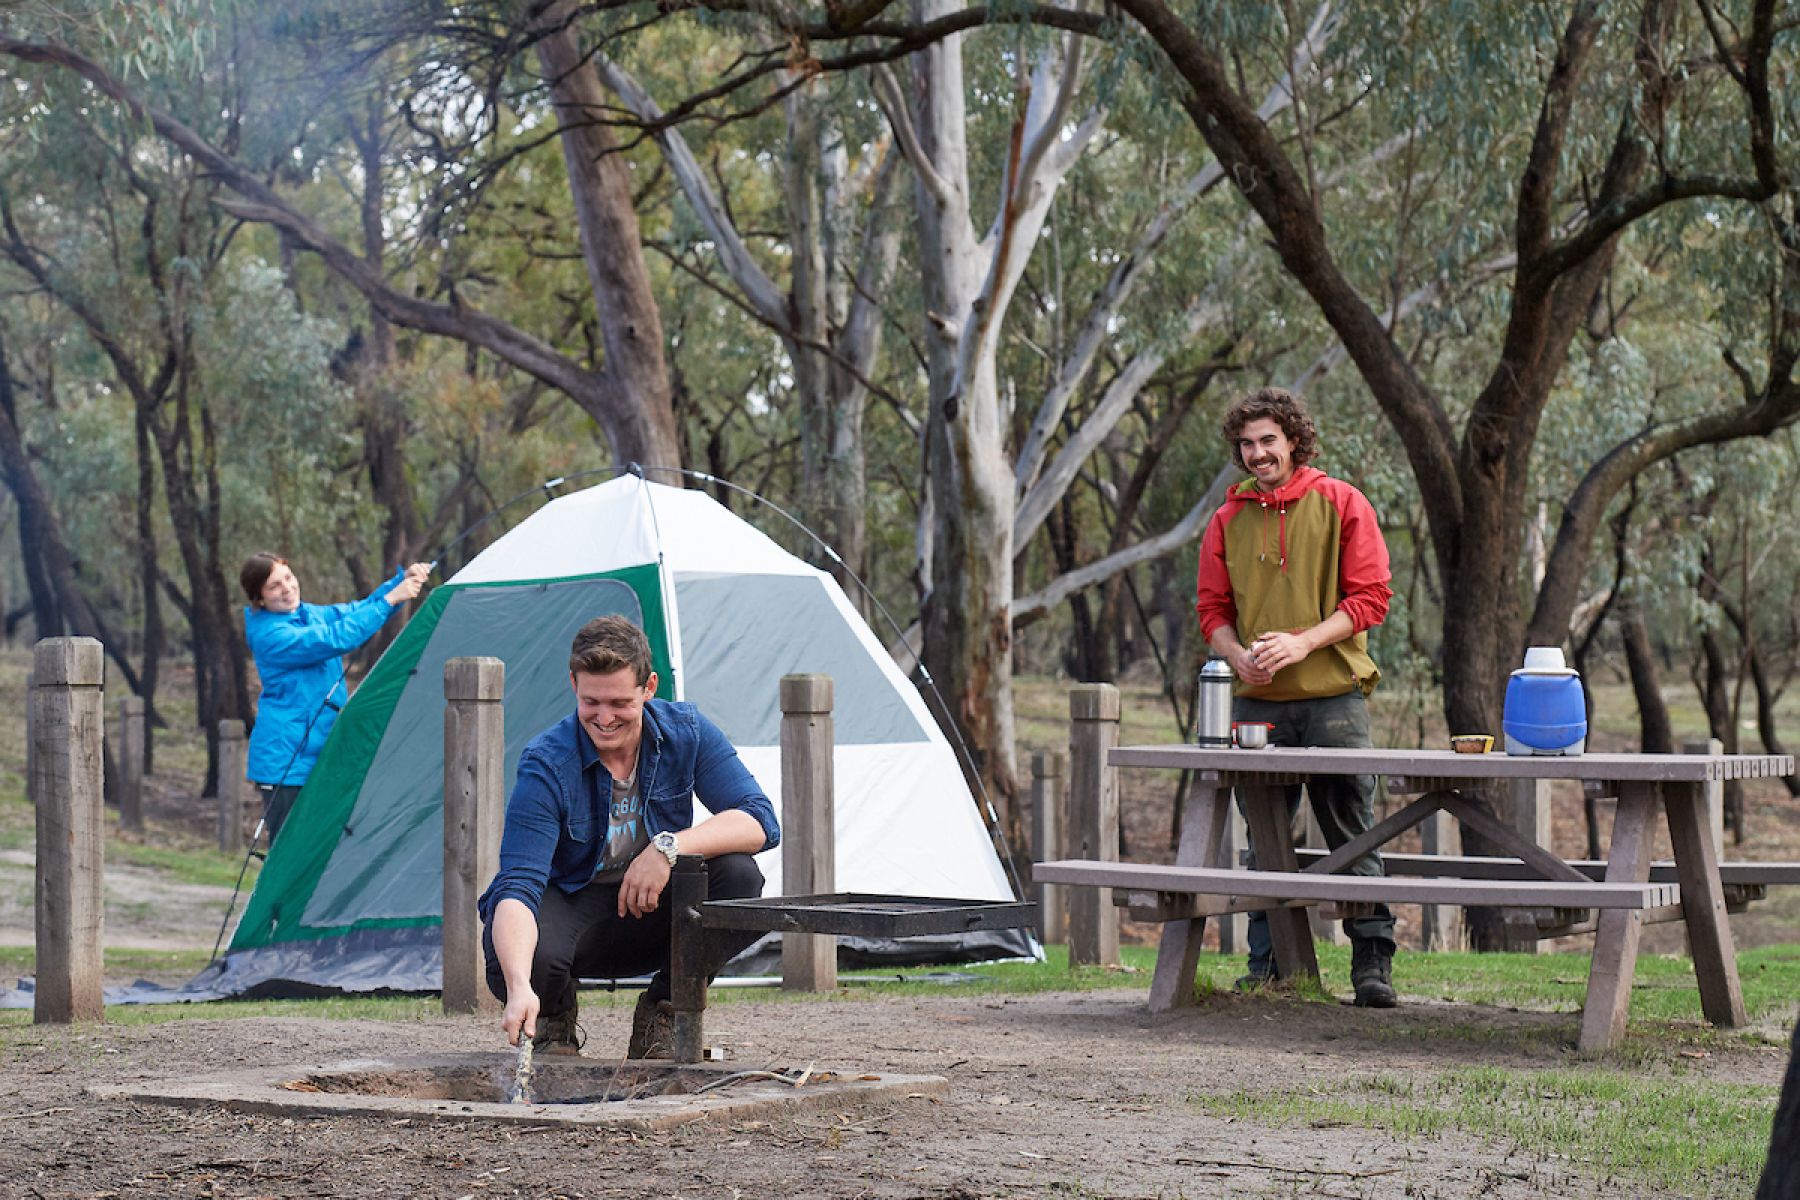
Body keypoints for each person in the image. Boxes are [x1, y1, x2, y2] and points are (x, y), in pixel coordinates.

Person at [478, 615, 778, 1059]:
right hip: (576, 911)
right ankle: (551, 1018)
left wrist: (667, 848)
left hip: (652, 908)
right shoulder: (546, 761)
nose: (604, 718)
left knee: (739, 877)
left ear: (649, 687)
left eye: (620, 702)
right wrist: (520, 989)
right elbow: (518, 886)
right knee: (521, 941)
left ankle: (663, 1011)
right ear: (573, 685)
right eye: (591, 701)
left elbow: (760, 820)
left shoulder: (687, 733)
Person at [1194, 387, 1399, 1008]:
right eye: (1247, 444)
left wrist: (1304, 643)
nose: (1257, 454)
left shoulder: (1341, 503)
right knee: (1266, 840)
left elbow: (1371, 600)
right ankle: (1272, 968)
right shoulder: (1227, 520)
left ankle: (1372, 968)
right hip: (1258, 706)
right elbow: (1213, 610)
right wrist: (1236, 658)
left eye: (1268, 441)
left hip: (1334, 697)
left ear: (1293, 441)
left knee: (1351, 832)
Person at [240, 553, 430, 841]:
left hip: (318, 751)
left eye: (288, 577)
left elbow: (359, 610)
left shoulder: (306, 614)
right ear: (259, 599)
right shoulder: (272, 635)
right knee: (291, 853)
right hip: (286, 762)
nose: (287, 588)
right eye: (274, 586)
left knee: (320, 849)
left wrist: (398, 583)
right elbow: (337, 637)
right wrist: (392, 599)